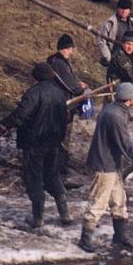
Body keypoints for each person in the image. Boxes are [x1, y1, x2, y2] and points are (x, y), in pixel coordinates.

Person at [78, 82, 133, 253]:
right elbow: (127, 144)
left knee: (119, 201)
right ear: (131, 99)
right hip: (104, 165)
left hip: (113, 164)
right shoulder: (115, 115)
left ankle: (120, 236)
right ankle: (85, 240)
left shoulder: (114, 110)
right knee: (98, 203)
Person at [0, 63, 72, 228]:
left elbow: (21, 114)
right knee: (52, 176)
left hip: (34, 143)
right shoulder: (60, 94)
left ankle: (37, 218)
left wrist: (4, 124)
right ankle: (65, 213)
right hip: (53, 144)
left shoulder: (33, 93)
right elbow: (66, 118)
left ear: (36, 76)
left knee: (35, 179)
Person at [47, 34, 88, 178]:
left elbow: (70, 80)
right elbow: (69, 84)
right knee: (61, 137)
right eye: (70, 49)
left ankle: (59, 165)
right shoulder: (59, 63)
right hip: (61, 105)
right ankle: (58, 168)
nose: (72, 52)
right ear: (63, 49)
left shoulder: (58, 61)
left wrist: (78, 83)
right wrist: (80, 88)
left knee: (61, 136)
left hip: (60, 103)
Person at [96, 0, 133, 68]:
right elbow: (101, 41)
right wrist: (108, 58)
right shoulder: (110, 22)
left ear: (129, 11)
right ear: (118, 9)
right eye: (121, 8)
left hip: (130, 57)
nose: (123, 11)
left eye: (126, 9)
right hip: (114, 56)